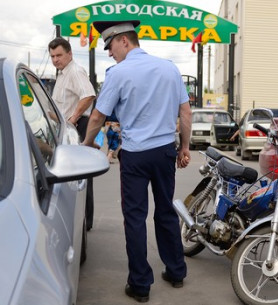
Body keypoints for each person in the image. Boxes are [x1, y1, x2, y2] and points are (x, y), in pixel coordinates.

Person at [82, 20, 192, 303]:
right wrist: (185, 148)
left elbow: (97, 116)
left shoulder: (119, 73)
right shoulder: (169, 68)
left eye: (110, 47)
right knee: (166, 210)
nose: (110, 53)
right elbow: (185, 112)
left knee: (134, 217)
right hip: (165, 150)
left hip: (135, 154)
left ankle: (141, 285)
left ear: (123, 41)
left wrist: (84, 145)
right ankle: (176, 271)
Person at [49, 37, 96, 231]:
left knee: (80, 177)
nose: (55, 59)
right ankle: (75, 221)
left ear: (70, 54)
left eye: (59, 55)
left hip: (77, 127)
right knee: (69, 177)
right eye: (52, 56)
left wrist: (73, 119)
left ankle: (84, 222)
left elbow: (88, 94)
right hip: (65, 129)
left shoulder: (75, 71)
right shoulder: (62, 74)